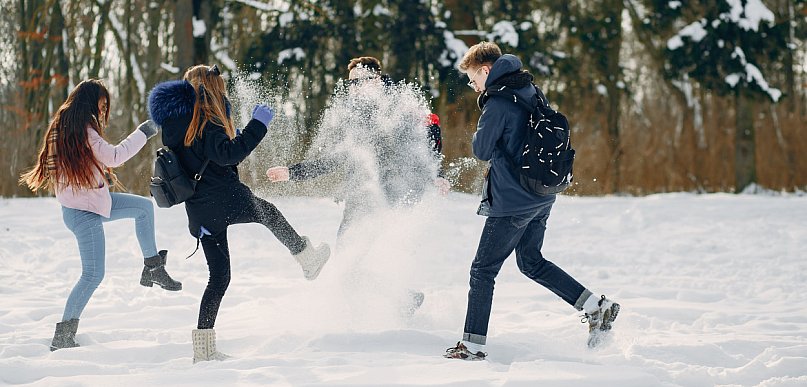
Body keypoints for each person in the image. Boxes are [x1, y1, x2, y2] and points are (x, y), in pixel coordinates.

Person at [444, 42, 620, 360]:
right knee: (531, 262)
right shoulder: (529, 89)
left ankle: (472, 346)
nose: (473, 87)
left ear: (485, 70)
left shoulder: (497, 102)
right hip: (541, 194)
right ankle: (596, 306)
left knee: (482, 271)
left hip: (512, 201)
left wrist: (482, 130)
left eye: (472, 79)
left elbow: (481, 150)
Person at [147, 64, 330, 363]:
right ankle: (307, 258)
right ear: (212, 87)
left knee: (218, 277)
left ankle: (203, 351)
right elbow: (228, 154)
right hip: (226, 196)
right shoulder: (206, 117)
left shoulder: (174, 122)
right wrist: (258, 125)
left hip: (200, 211)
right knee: (269, 213)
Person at [20, 79, 181, 352]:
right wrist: (145, 131)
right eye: (102, 103)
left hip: (91, 203)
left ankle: (153, 267)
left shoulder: (64, 127)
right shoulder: (83, 130)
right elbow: (114, 156)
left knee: (143, 209)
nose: (104, 108)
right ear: (90, 102)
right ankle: (63, 335)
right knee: (92, 275)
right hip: (84, 213)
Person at [266, 56, 449, 239]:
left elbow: (427, 135)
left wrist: (436, 174)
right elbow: (337, 158)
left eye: (358, 81)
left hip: (393, 192)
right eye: (350, 82)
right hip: (359, 192)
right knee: (346, 245)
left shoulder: (399, 105)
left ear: (375, 80)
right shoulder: (353, 115)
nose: (353, 87)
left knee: (382, 248)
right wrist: (292, 172)